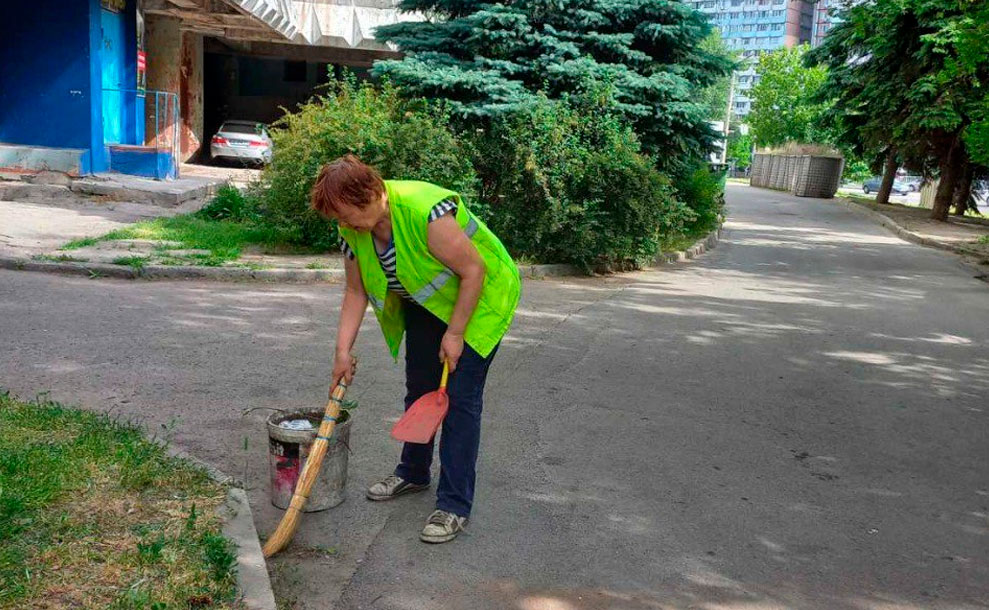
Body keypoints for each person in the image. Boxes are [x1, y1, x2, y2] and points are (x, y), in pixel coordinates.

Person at [310, 155, 521, 543]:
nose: (343, 224)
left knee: (458, 400)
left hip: (481, 300)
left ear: (371, 194)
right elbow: (355, 291)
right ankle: (413, 472)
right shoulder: (353, 231)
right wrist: (342, 352)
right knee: (420, 387)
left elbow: (475, 271)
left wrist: (455, 335)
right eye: (336, 218)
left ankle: (454, 505)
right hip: (430, 304)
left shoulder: (425, 212)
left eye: (345, 214)